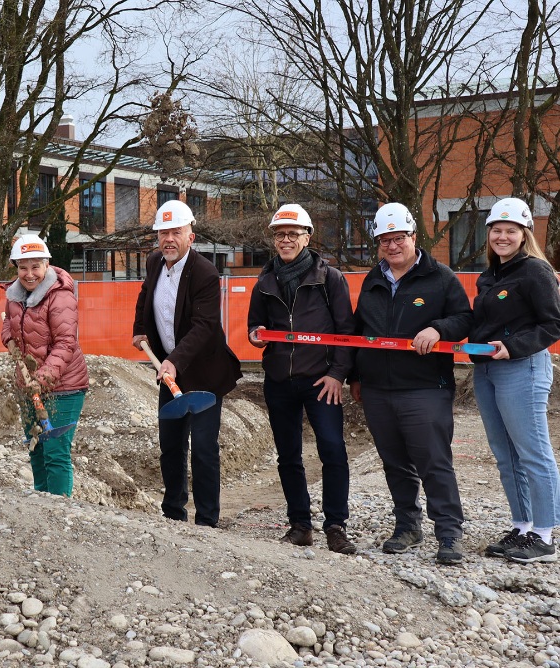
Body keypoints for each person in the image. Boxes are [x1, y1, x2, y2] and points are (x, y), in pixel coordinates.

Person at [350, 202, 472, 565]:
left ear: (413, 237)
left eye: (399, 237)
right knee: (394, 461)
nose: (392, 246)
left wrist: (439, 329)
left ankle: (449, 533)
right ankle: (407, 525)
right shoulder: (373, 281)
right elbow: (359, 333)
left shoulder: (441, 278)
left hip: (425, 386)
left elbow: (465, 318)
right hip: (377, 389)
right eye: (385, 240)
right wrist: (355, 377)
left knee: (434, 461)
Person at [247, 204, 357, 554]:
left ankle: (336, 526)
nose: (286, 240)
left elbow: (346, 332)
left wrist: (337, 374)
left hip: (320, 381)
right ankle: (300, 526)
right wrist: (256, 334)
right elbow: (255, 325)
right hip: (280, 381)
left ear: (308, 237)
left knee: (333, 450)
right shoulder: (264, 282)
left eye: (293, 234)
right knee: (288, 455)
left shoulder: (330, 279)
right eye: (280, 235)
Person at [132, 200, 242, 528]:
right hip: (170, 372)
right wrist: (139, 329)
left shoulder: (205, 273)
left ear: (190, 236)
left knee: (204, 449)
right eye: (163, 232)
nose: (168, 239)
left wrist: (174, 361)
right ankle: (173, 514)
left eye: (175, 232)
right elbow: (144, 294)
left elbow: (204, 327)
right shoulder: (154, 262)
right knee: (171, 445)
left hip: (204, 374)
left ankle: (207, 521)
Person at [469, 198, 560, 564]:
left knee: (534, 452)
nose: (502, 236)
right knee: (505, 454)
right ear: (488, 233)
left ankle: (545, 534)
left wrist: (512, 346)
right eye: (496, 230)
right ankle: (522, 526)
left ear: (524, 235)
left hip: (522, 368)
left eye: (511, 231)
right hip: (488, 370)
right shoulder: (489, 275)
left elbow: (553, 323)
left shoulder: (535, 271)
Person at [1, 234, 88, 496]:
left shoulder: (59, 296)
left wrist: (43, 377)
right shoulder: (14, 294)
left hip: (64, 386)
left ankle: (61, 510)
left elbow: (65, 343)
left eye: (35, 266)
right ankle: (41, 506)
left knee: (55, 453)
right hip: (29, 386)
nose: (29, 274)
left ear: (47, 264)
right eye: (23, 267)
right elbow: (8, 323)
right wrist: (8, 339)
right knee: (36, 448)